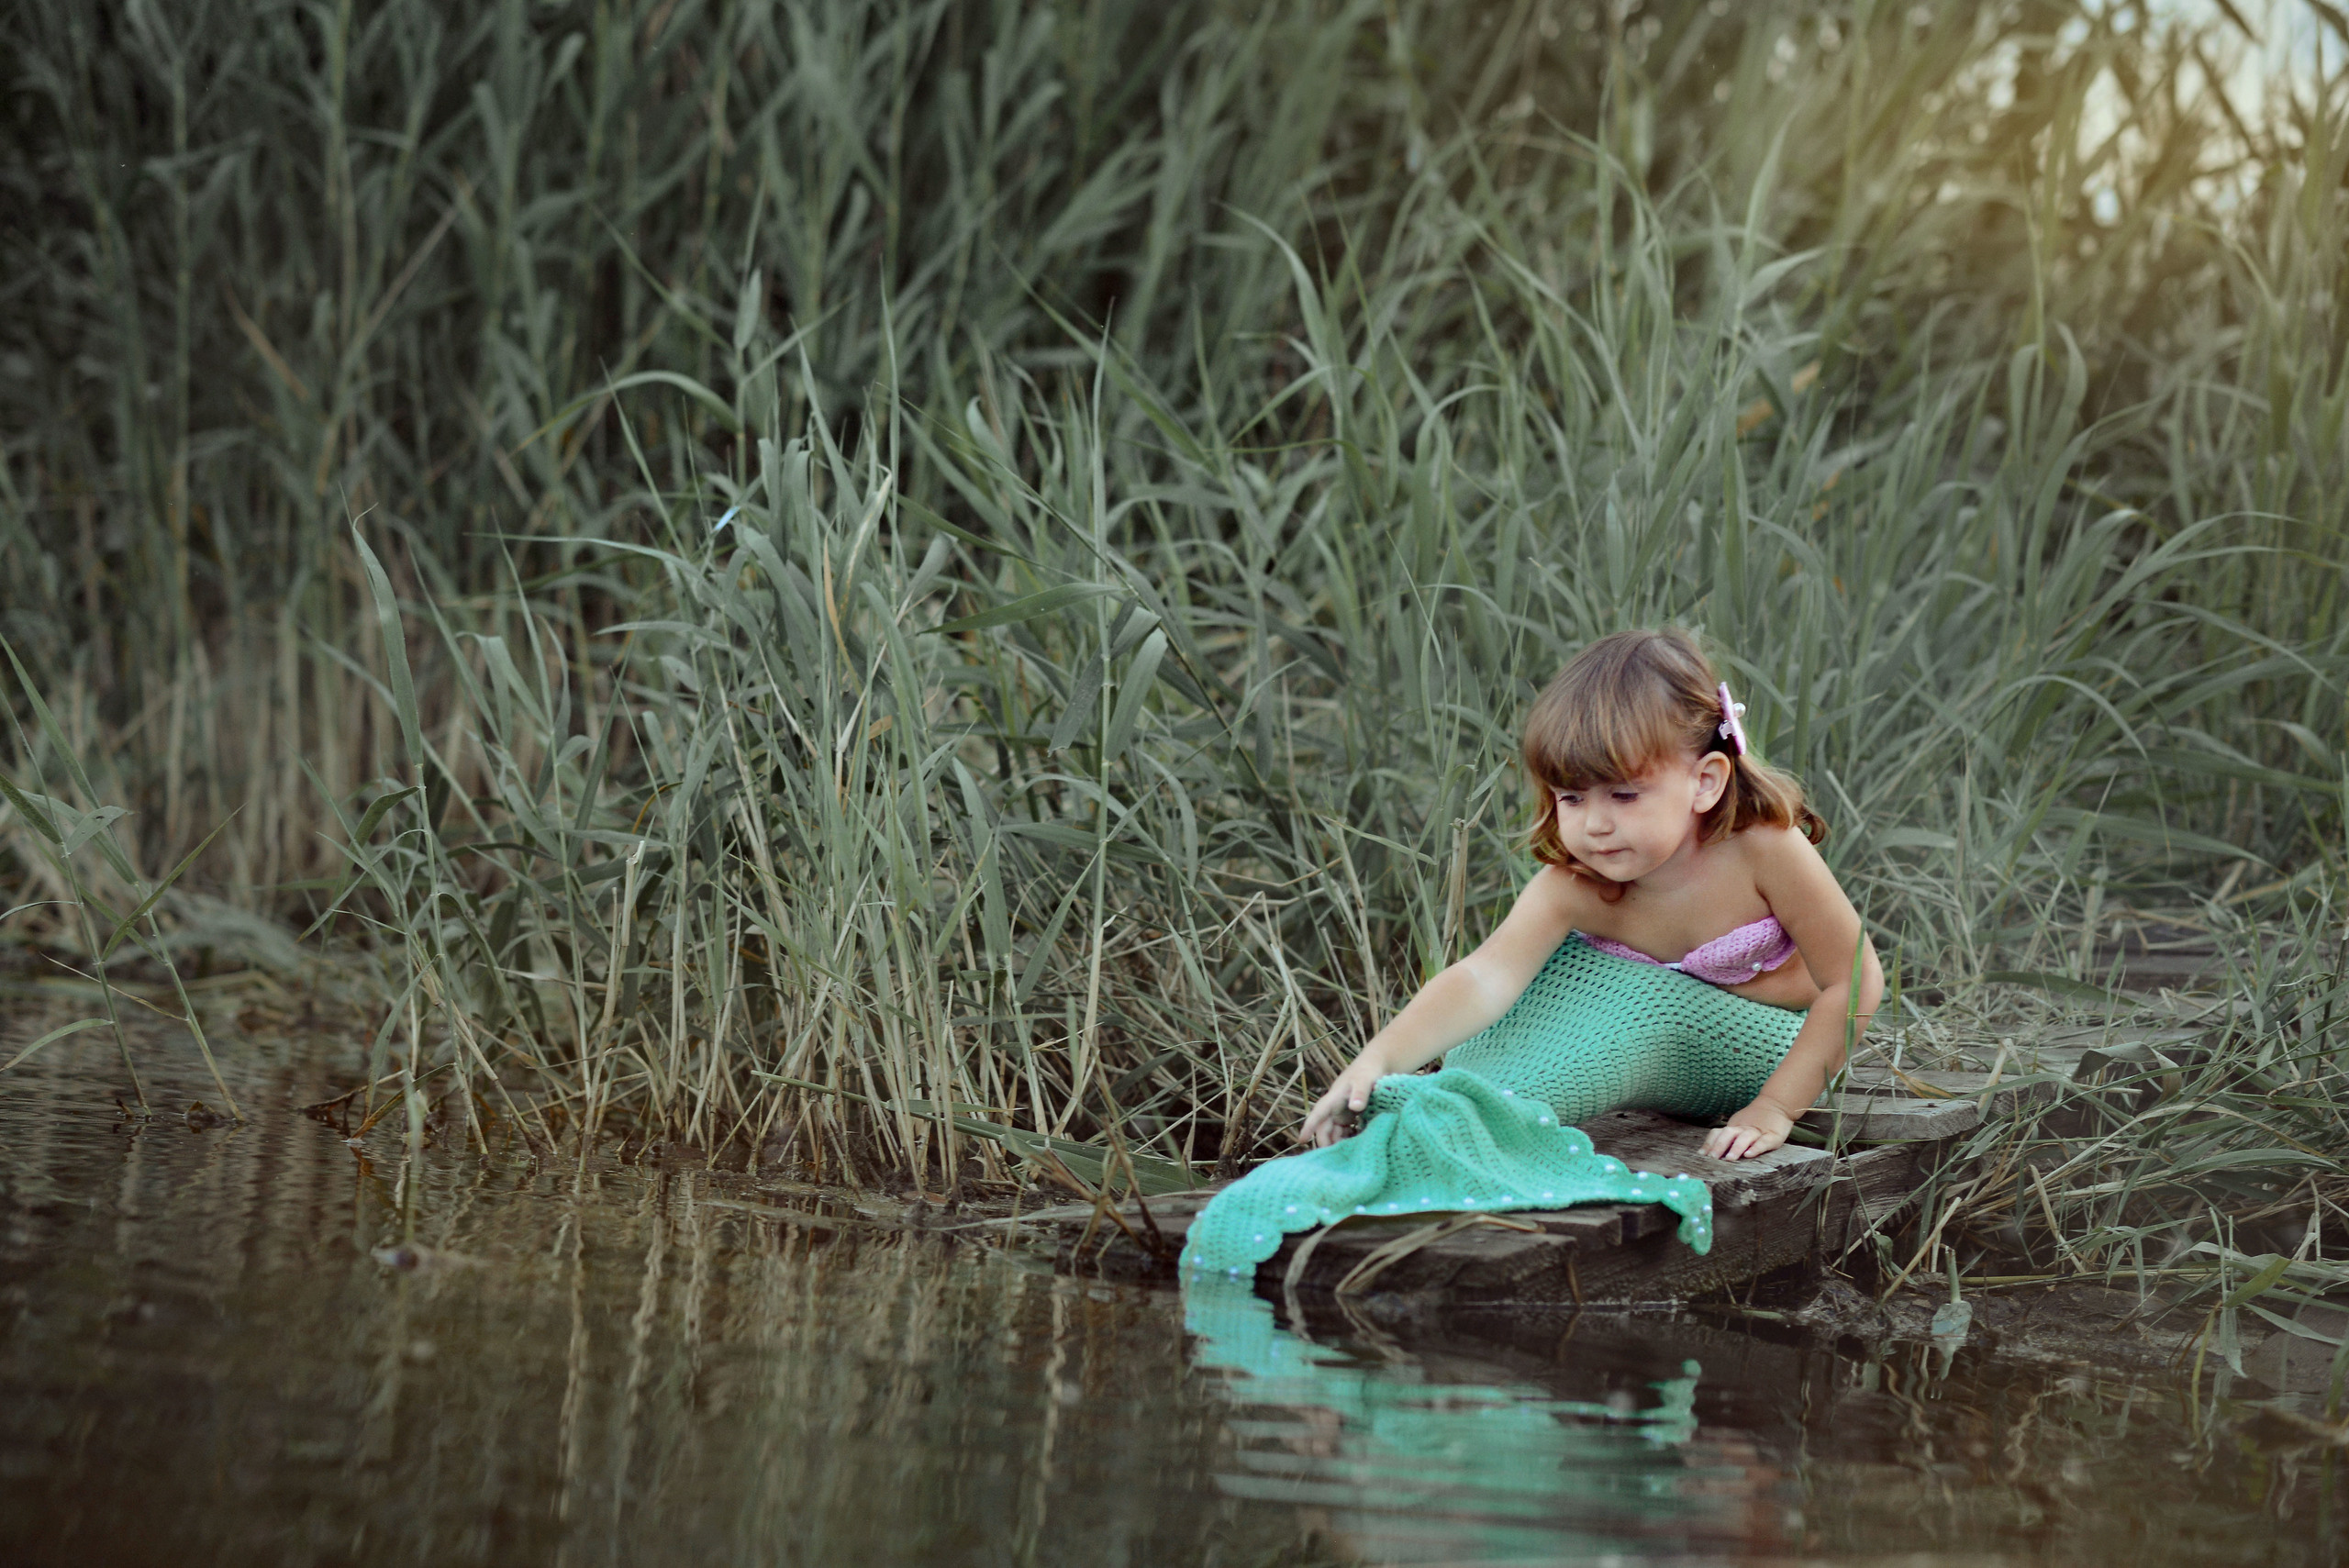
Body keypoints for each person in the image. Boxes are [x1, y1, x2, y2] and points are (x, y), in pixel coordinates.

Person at [1180, 627, 1883, 1276]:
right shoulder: (1574, 884)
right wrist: (1377, 1057)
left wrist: (1775, 1107)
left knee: (1630, 989)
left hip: (1760, 1047)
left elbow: (1853, 982)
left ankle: (1471, 1116)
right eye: (1572, 798)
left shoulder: (1763, 849)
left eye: (1624, 794)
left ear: (1705, 781)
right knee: (1541, 977)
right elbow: (1485, 976)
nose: (1595, 825)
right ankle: (1436, 1103)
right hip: (1636, 1022)